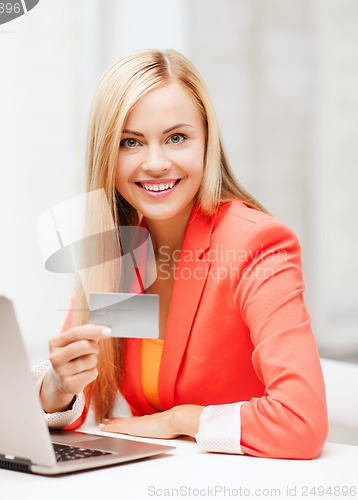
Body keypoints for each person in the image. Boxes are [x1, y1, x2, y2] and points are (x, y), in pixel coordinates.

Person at [33, 48, 328, 459]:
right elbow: (83, 398)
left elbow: (301, 423)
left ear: (206, 142)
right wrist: (58, 387)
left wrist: (182, 420)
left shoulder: (255, 245)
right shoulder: (120, 250)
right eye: (130, 142)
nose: (155, 163)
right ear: (107, 155)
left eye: (176, 138)